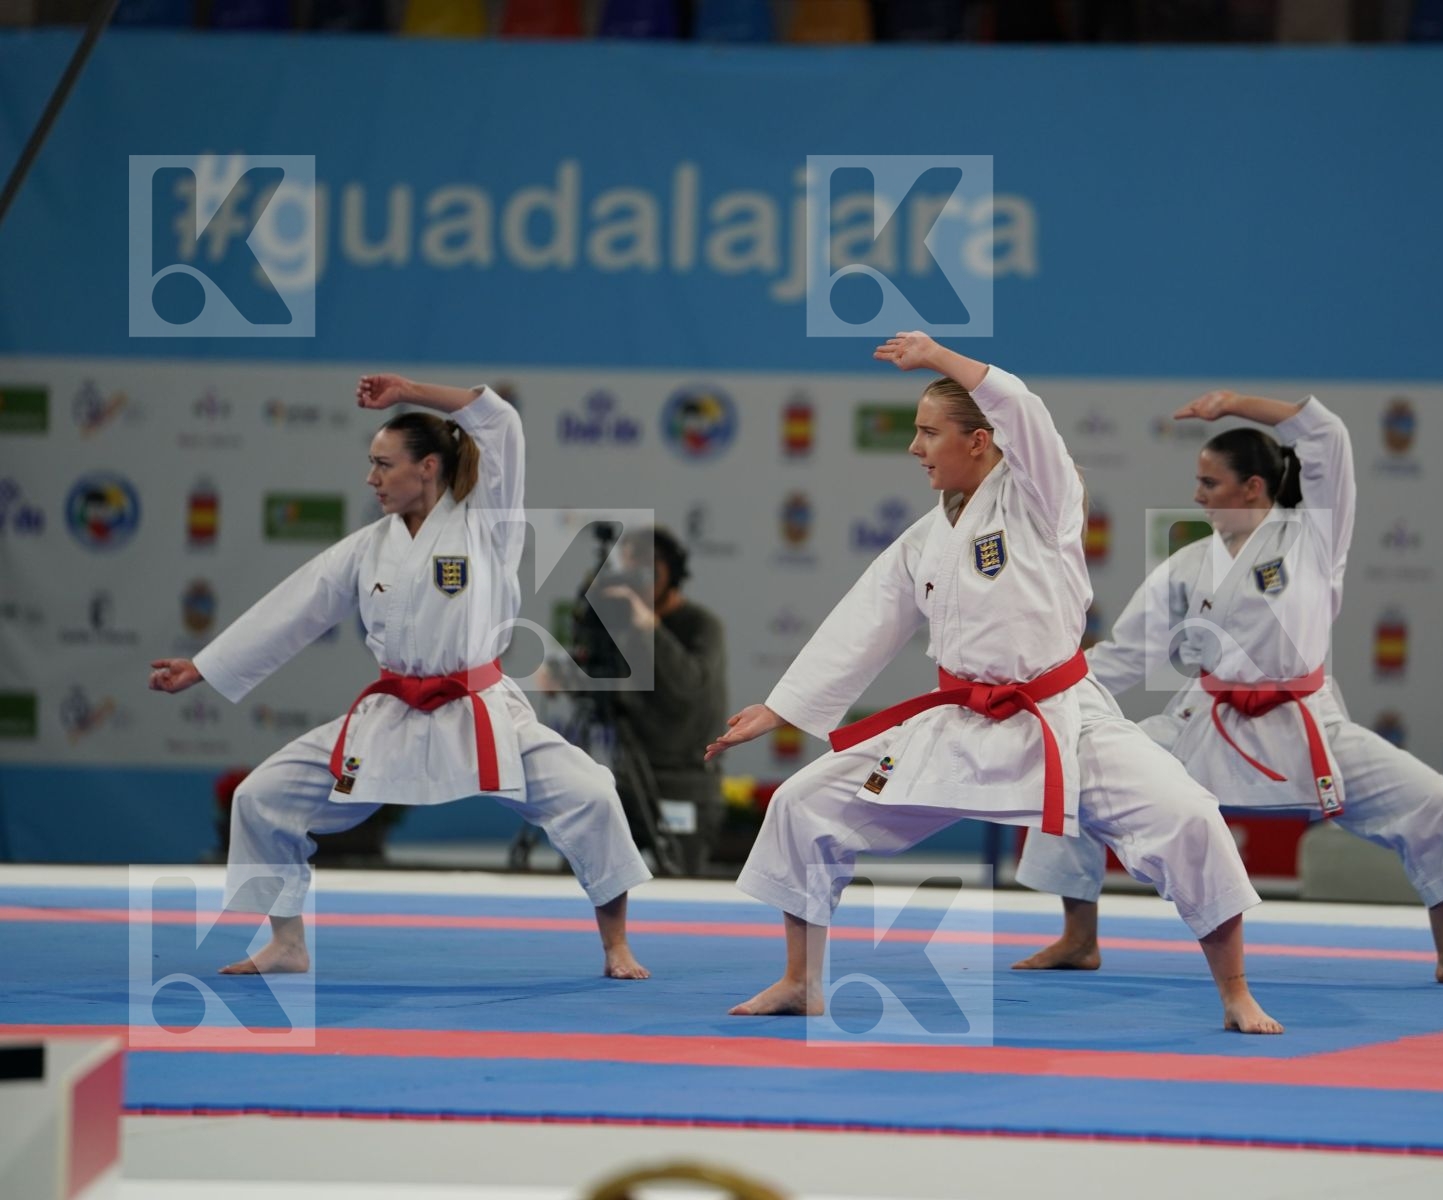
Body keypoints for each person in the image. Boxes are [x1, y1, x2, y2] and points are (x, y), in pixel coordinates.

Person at [705, 333, 1282, 1034]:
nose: (915, 449)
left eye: (928, 433)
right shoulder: (926, 536)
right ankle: (800, 980)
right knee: (802, 803)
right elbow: (865, 622)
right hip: (958, 723)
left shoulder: (1043, 495)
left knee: (1188, 817)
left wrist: (940, 356)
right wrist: (779, 708)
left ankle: (1236, 994)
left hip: (1060, 719)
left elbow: (1021, 406)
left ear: (980, 440)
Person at [149, 376, 652, 979]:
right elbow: (293, 609)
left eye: (384, 465)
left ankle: (615, 946)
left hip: (479, 707)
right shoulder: (368, 548)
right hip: (392, 713)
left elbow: (502, 424)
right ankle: (285, 942)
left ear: (429, 468)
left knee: (592, 795)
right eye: (371, 465)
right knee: (261, 798)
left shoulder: (485, 522)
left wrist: (407, 391)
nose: (372, 478)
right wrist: (203, 666)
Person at [1013, 389, 1443, 986]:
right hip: (1202, 727)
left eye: (1210, 483)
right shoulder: (1191, 563)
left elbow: (1329, 439)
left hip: (1306, 726)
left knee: (1434, 799)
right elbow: (1127, 653)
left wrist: (1238, 404)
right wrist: (1041, 692)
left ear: (1252, 488)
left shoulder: (1315, 539)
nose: (1196, 495)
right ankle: (1079, 938)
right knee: (1076, 778)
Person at [583, 525, 728, 875]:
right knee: (605, 879)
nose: (639, 579)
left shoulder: (701, 625)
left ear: (672, 572)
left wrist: (649, 628)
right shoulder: (624, 627)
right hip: (629, 781)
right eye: (629, 569)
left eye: (649, 568)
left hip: (685, 784)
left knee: (682, 887)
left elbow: (689, 689)